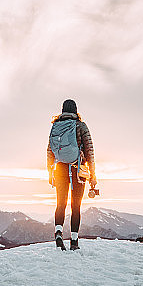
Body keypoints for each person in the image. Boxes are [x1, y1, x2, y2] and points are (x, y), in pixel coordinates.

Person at [47, 98, 97, 250]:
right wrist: (93, 175)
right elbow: (89, 150)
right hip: (78, 169)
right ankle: (74, 242)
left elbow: (50, 151)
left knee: (60, 203)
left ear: (62, 110)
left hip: (60, 169)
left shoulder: (56, 126)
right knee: (76, 206)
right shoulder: (81, 126)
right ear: (75, 110)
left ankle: (58, 232)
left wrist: (50, 173)